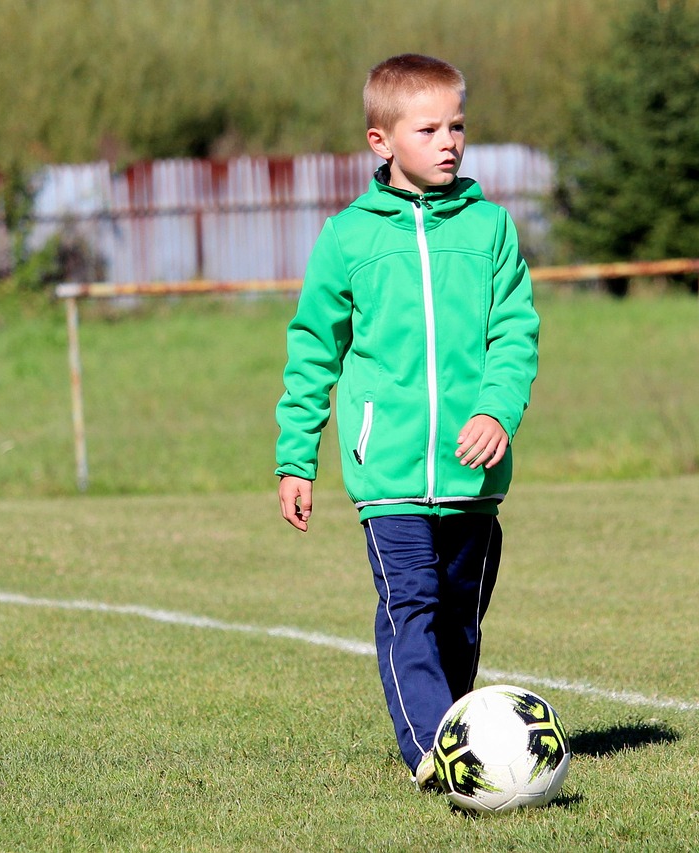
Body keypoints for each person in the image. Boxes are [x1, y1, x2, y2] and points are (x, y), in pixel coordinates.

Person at [274, 53, 540, 791]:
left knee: (458, 620)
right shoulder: (348, 239)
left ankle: (461, 728)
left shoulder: (490, 230)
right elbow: (311, 352)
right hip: (386, 474)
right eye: (429, 128)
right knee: (410, 605)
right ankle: (432, 750)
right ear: (381, 142)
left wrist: (496, 409)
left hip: (473, 478)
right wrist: (297, 457)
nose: (449, 140)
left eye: (457, 125)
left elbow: (514, 335)